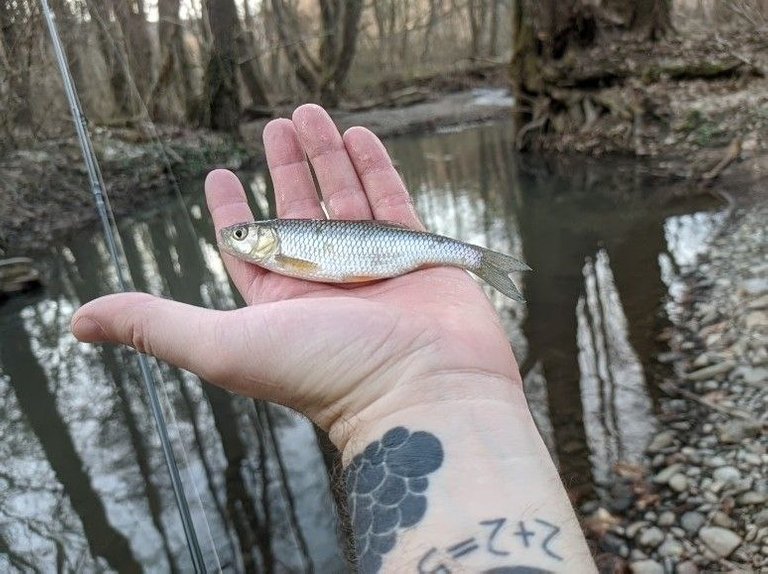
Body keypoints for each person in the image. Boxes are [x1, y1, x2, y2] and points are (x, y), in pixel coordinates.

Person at [71, 104, 596, 573]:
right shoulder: (280, 249)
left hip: (392, 259)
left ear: (263, 238)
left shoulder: (284, 247)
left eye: (241, 236)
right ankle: (478, 262)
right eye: (238, 236)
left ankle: (480, 262)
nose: (235, 242)